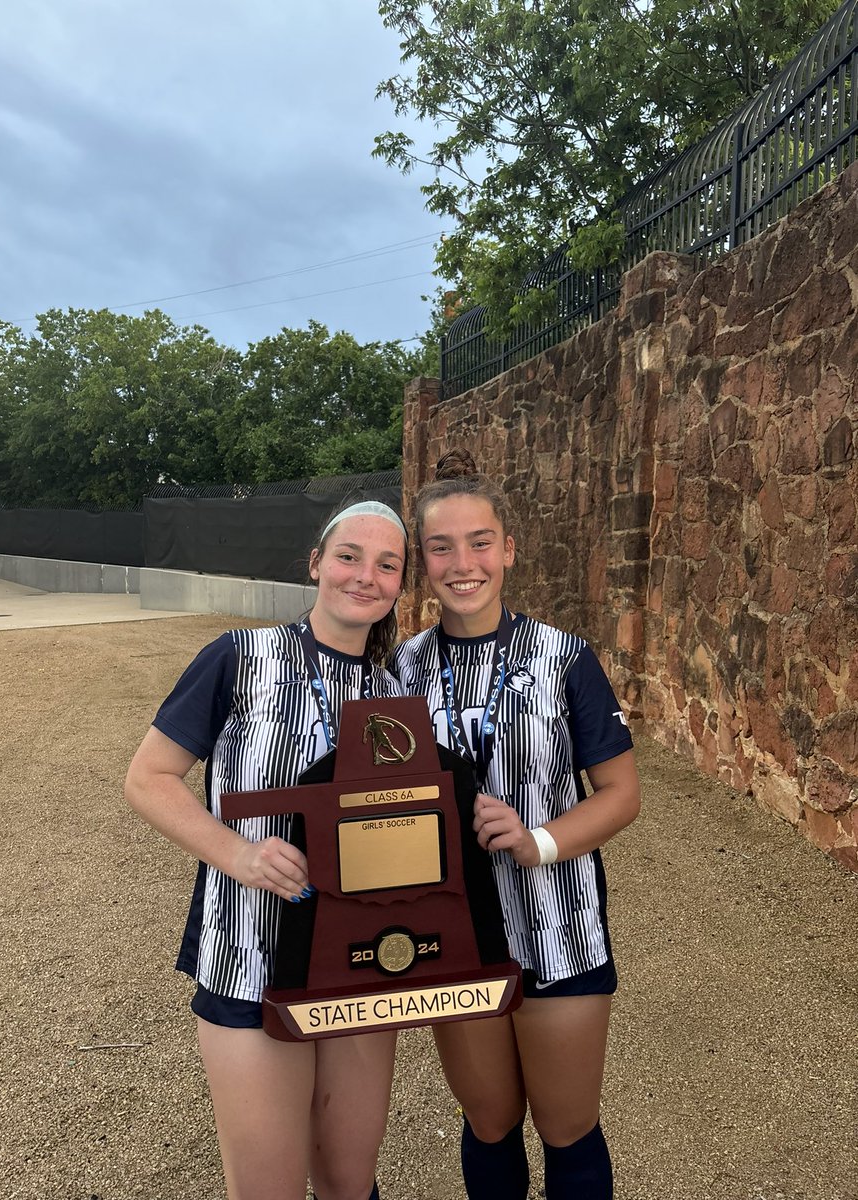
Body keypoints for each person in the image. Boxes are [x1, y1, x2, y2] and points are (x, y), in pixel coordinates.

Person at [125, 500, 408, 1200]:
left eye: (387, 564)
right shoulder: (237, 658)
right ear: (316, 563)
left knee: (349, 1180)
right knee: (268, 1187)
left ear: (402, 584)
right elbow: (148, 778)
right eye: (348, 555)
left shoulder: (398, 691)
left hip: (359, 967)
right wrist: (239, 855)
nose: (364, 575)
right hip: (249, 954)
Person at [389, 451, 641, 1200]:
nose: (462, 563)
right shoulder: (401, 670)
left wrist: (538, 840)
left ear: (508, 550)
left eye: (480, 542)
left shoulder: (565, 659)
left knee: (568, 1128)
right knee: (491, 1121)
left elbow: (620, 794)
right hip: (454, 938)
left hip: (557, 929)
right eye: (441, 546)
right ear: (421, 561)